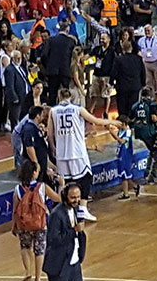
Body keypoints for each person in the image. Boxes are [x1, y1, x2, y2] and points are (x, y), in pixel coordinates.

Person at [49, 88, 120, 222]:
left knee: (64, 182)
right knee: (86, 177)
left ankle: (66, 212)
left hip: (62, 153)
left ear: (59, 97)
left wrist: (53, 148)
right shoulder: (77, 108)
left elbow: (49, 133)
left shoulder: (53, 110)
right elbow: (96, 121)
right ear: (71, 97)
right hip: (77, 151)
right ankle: (82, 209)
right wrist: (112, 122)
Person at [12, 160, 60, 281]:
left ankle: (28, 273)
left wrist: (14, 226)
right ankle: (38, 279)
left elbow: (15, 210)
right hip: (40, 224)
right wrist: (61, 185)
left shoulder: (18, 189)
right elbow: (59, 198)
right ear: (34, 173)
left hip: (24, 225)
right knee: (39, 251)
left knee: (25, 247)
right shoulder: (42, 187)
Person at [131, 87, 157, 186]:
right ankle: (152, 178)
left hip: (140, 133)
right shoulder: (152, 104)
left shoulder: (135, 105)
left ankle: (147, 174)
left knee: (151, 151)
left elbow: (131, 119)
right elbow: (154, 118)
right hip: (151, 132)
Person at [41, 22, 78, 104]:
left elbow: (44, 55)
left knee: (52, 95)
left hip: (52, 72)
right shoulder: (71, 41)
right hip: (65, 71)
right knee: (66, 95)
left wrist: (48, 66)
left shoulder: (50, 40)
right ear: (67, 31)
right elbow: (75, 56)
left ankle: (52, 111)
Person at [111, 39, 145, 118]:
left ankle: (123, 123)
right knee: (133, 108)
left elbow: (114, 73)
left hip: (122, 88)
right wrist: (143, 84)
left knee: (122, 110)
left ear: (122, 48)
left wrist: (111, 83)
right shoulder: (138, 59)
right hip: (135, 87)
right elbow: (143, 72)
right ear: (131, 48)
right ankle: (132, 123)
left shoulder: (118, 59)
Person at [138, 24, 157, 106]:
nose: (147, 32)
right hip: (146, 63)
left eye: (149, 30)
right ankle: (151, 98)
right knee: (148, 82)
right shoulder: (141, 40)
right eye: (146, 31)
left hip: (156, 62)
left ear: (152, 31)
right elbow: (138, 50)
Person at [110, 115, 139, 200]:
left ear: (123, 123)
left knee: (124, 175)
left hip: (126, 156)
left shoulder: (128, 132)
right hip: (120, 154)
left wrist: (112, 133)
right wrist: (111, 132)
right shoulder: (121, 131)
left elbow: (122, 141)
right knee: (125, 174)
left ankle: (126, 194)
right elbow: (117, 139)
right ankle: (135, 187)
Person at [3, 50, 31, 130]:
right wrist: (14, 97)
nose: (19, 60)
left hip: (25, 96)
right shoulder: (9, 69)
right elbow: (10, 85)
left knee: (24, 118)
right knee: (15, 119)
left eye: (20, 58)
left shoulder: (21, 68)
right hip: (16, 99)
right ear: (12, 58)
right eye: (17, 58)